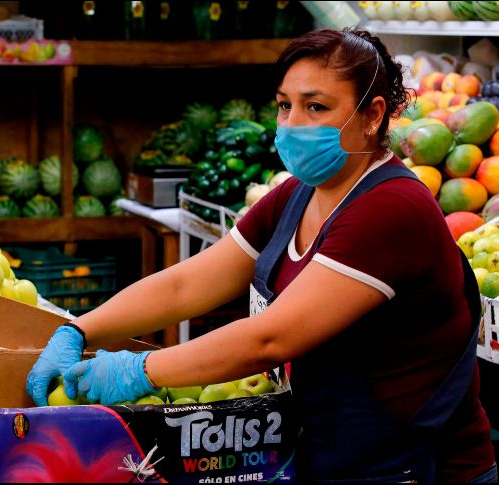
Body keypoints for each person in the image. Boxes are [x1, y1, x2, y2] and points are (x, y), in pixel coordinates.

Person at [26, 28, 496, 483]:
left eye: (316, 107)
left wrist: (139, 371)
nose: (291, 124)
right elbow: (186, 285)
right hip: (336, 456)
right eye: (284, 105)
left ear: (373, 114)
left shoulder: (391, 208)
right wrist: (79, 329)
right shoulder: (300, 194)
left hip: (416, 467)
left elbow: (269, 340)